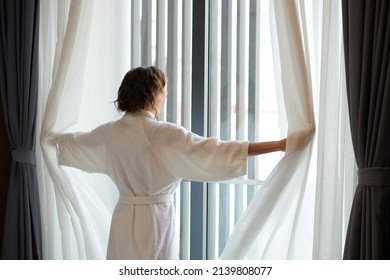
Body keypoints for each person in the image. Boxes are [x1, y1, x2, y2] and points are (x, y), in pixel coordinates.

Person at [55, 66, 286, 260]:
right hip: (155, 221)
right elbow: (214, 151)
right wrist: (277, 145)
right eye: (163, 92)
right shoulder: (164, 134)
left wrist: (47, 139)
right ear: (151, 95)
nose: (165, 97)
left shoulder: (109, 133)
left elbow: (71, 145)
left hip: (122, 221)